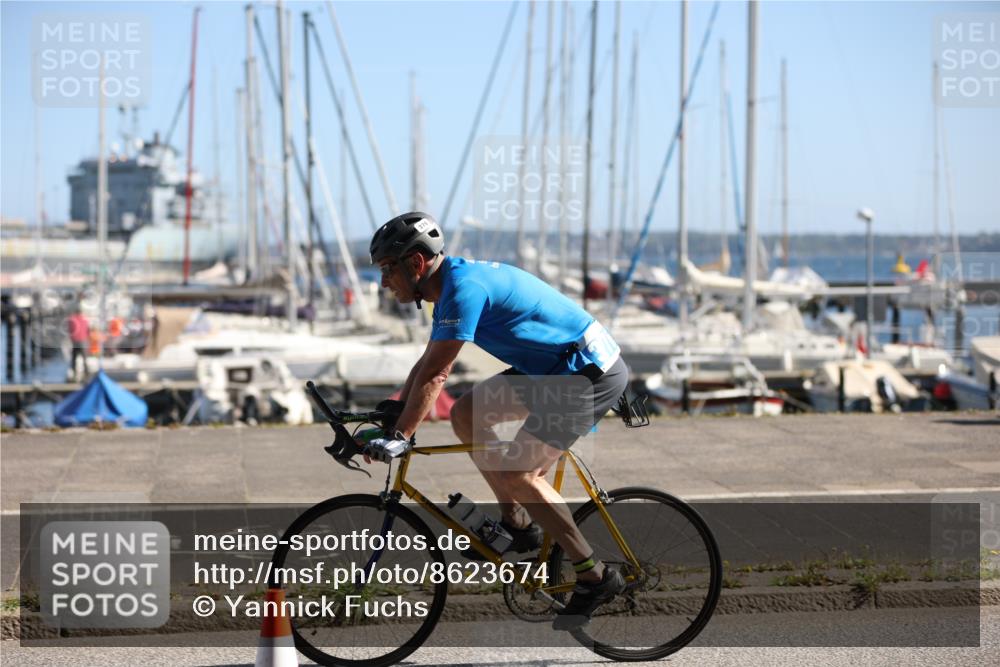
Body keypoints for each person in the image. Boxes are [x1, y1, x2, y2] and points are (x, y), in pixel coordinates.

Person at [364, 211, 629, 631]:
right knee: (467, 414)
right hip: (549, 369)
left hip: (585, 371)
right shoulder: (447, 286)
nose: (384, 283)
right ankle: (518, 526)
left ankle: (594, 575)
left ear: (415, 263)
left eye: (387, 269)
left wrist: (401, 436)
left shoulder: (463, 289)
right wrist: (396, 411)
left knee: (517, 472)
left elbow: (438, 375)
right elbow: (428, 361)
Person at [66, 307, 89, 379]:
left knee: (74, 357)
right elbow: (87, 330)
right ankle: (86, 372)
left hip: (75, 341)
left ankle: (74, 371)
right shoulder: (84, 319)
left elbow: (70, 330)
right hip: (83, 340)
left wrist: (71, 338)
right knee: (84, 358)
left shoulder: (72, 319)